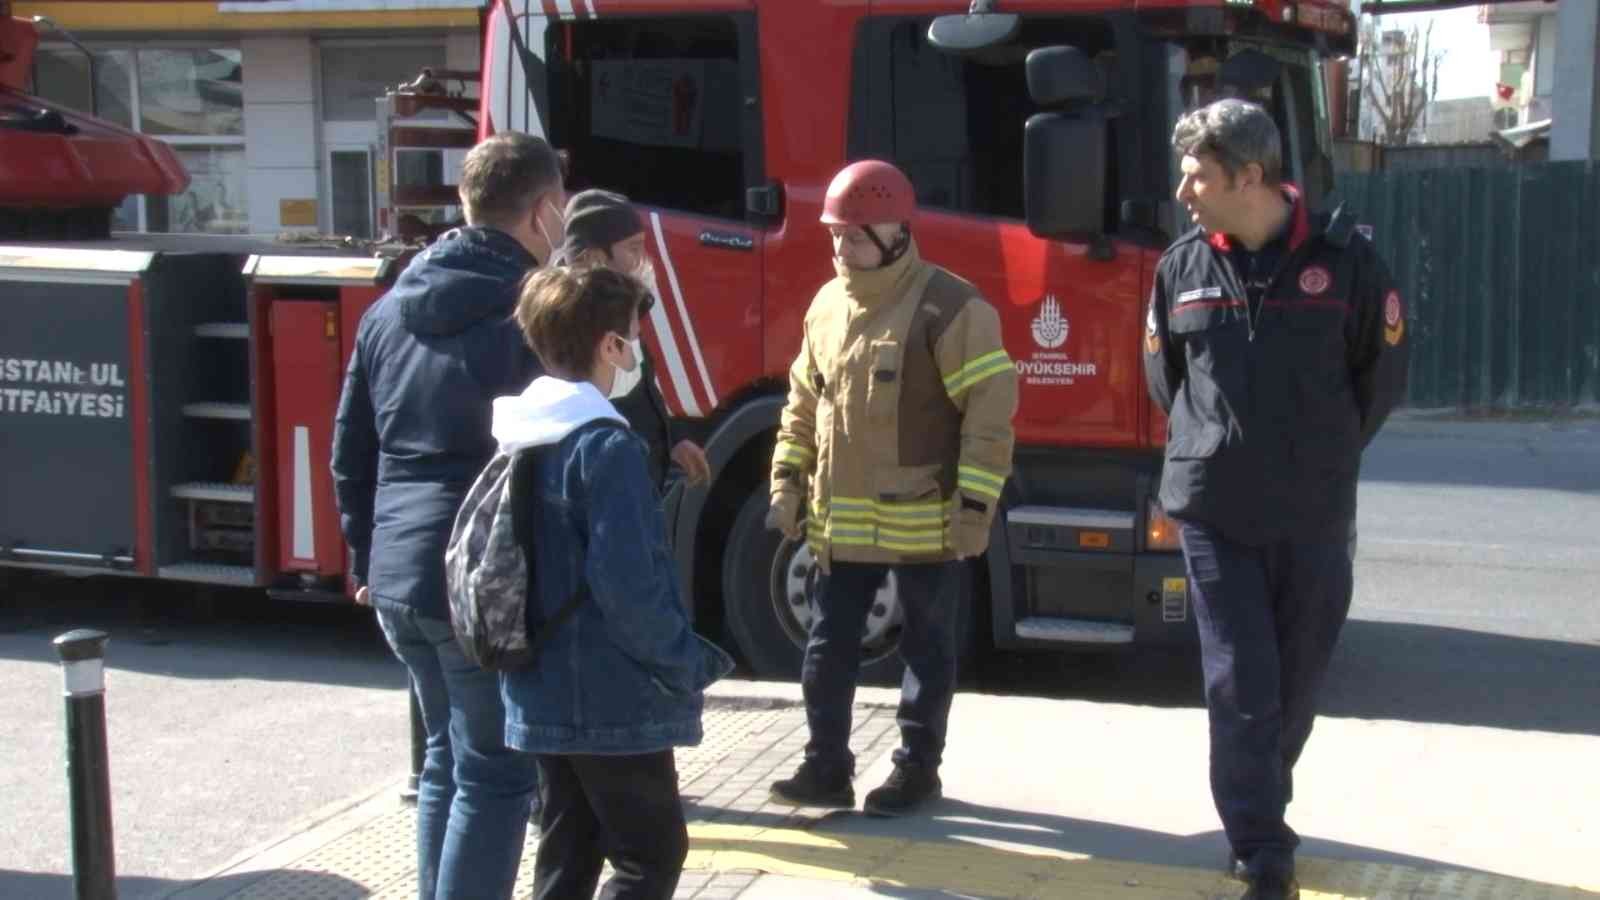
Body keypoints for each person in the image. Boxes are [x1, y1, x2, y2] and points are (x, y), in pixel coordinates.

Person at [1143, 99, 1409, 900]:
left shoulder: (1349, 261)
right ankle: (1261, 844)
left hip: (1314, 509)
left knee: (1296, 677)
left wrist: (1316, 455)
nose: (1184, 192)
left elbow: (1381, 380)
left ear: (1250, 176)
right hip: (1214, 506)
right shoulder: (1180, 268)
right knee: (1241, 677)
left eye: (1198, 176)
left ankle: (1259, 790)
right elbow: (1168, 383)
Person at [331, 132, 565, 900]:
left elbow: (350, 450)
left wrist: (365, 559)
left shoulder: (386, 309)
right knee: (496, 773)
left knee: (445, 757)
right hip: (482, 575)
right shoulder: (535, 311)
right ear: (543, 210)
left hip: (399, 576)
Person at [765, 160, 1018, 817]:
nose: (841, 248)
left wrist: (973, 510)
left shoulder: (952, 308)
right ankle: (826, 768)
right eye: (835, 235)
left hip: (925, 524)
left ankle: (916, 769)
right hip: (838, 527)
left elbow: (990, 417)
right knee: (826, 649)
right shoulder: (826, 306)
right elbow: (802, 404)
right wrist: (786, 483)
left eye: (855, 235)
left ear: (897, 232)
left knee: (928, 650)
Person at [493, 265, 734, 899]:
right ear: (609, 346)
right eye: (633, 334)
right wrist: (688, 662)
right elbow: (631, 592)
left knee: (568, 853)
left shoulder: (520, 435)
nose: (638, 349)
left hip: (537, 683)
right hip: (608, 694)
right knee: (651, 855)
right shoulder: (608, 449)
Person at [552, 188, 710, 492]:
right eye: (633, 249)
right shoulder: (570, 328)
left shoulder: (622, 313)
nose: (643, 261)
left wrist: (673, 441)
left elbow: (640, 395)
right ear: (596, 257)